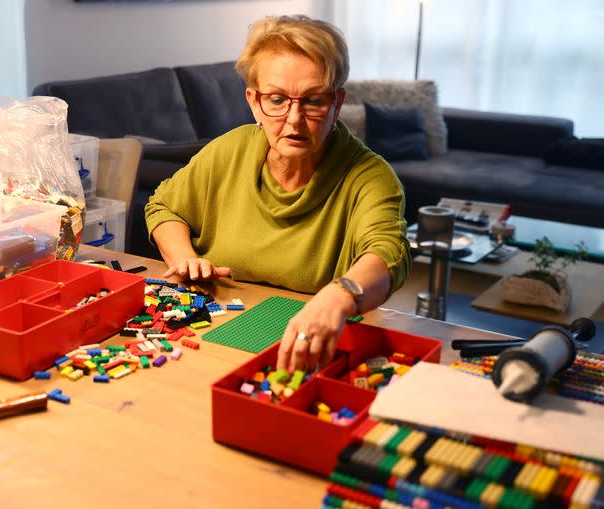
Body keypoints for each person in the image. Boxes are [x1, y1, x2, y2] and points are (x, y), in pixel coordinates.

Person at [145, 15, 410, 373]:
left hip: (309, 350)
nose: (294, 119)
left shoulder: (370, 175)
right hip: (206, 338)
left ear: (337, 103)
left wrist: (341, 294)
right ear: (254, 102)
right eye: (277, 99)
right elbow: (164, 207)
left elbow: (388, 252)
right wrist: (185, 258)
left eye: (313, 101)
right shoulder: (229, 151)